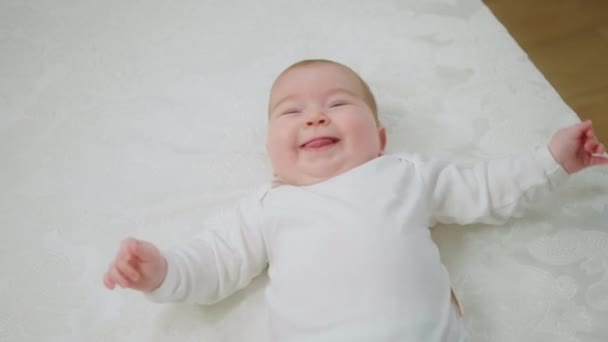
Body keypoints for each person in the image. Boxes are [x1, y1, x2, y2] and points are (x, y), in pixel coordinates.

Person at [103, 59, 608, 341]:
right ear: (268, 149)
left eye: (339, 103)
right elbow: (213, 262)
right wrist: (163, 271)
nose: (315, 117)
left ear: (381, 138)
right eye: (291, 111)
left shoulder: (403, 174)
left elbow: (488, 188)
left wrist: (551, 159)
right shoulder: (267, 206)